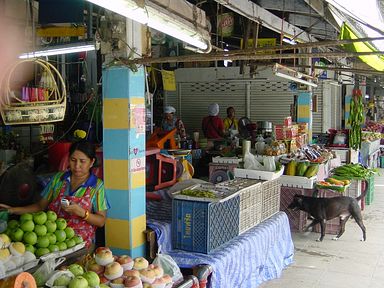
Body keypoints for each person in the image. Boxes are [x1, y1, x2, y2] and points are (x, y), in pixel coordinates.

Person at [0, 141, 109, 249]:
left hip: (81, 243)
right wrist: (12, 210)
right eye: (73, 160)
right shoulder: (58, 179)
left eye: (82, 161)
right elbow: (40, 206)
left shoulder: (97, 186)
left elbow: (101, 221)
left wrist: (82, 213)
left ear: (91, 162)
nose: (77, 166)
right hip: (53, 242)